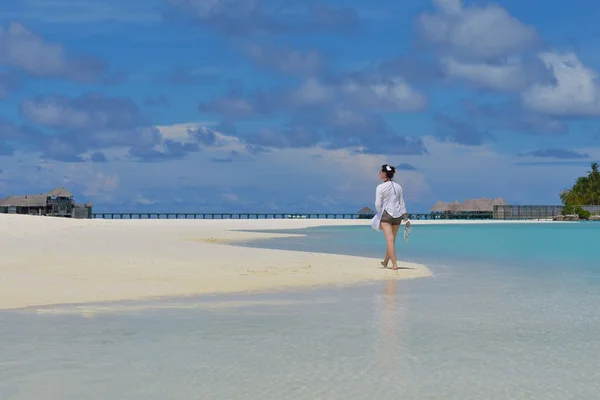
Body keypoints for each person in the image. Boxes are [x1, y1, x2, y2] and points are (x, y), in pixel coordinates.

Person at [375, 164, 411, 270]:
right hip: (398, 216)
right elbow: (402, 204)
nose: (379, 173)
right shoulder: (398, 187)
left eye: (380, 172)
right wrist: (406, 219)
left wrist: (380, 213)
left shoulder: (380, 187)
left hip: (386, 214)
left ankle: (394, 265)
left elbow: (377, 204)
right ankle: (385, 261)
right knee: (392, 240)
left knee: (389, 240)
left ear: (384, 174)